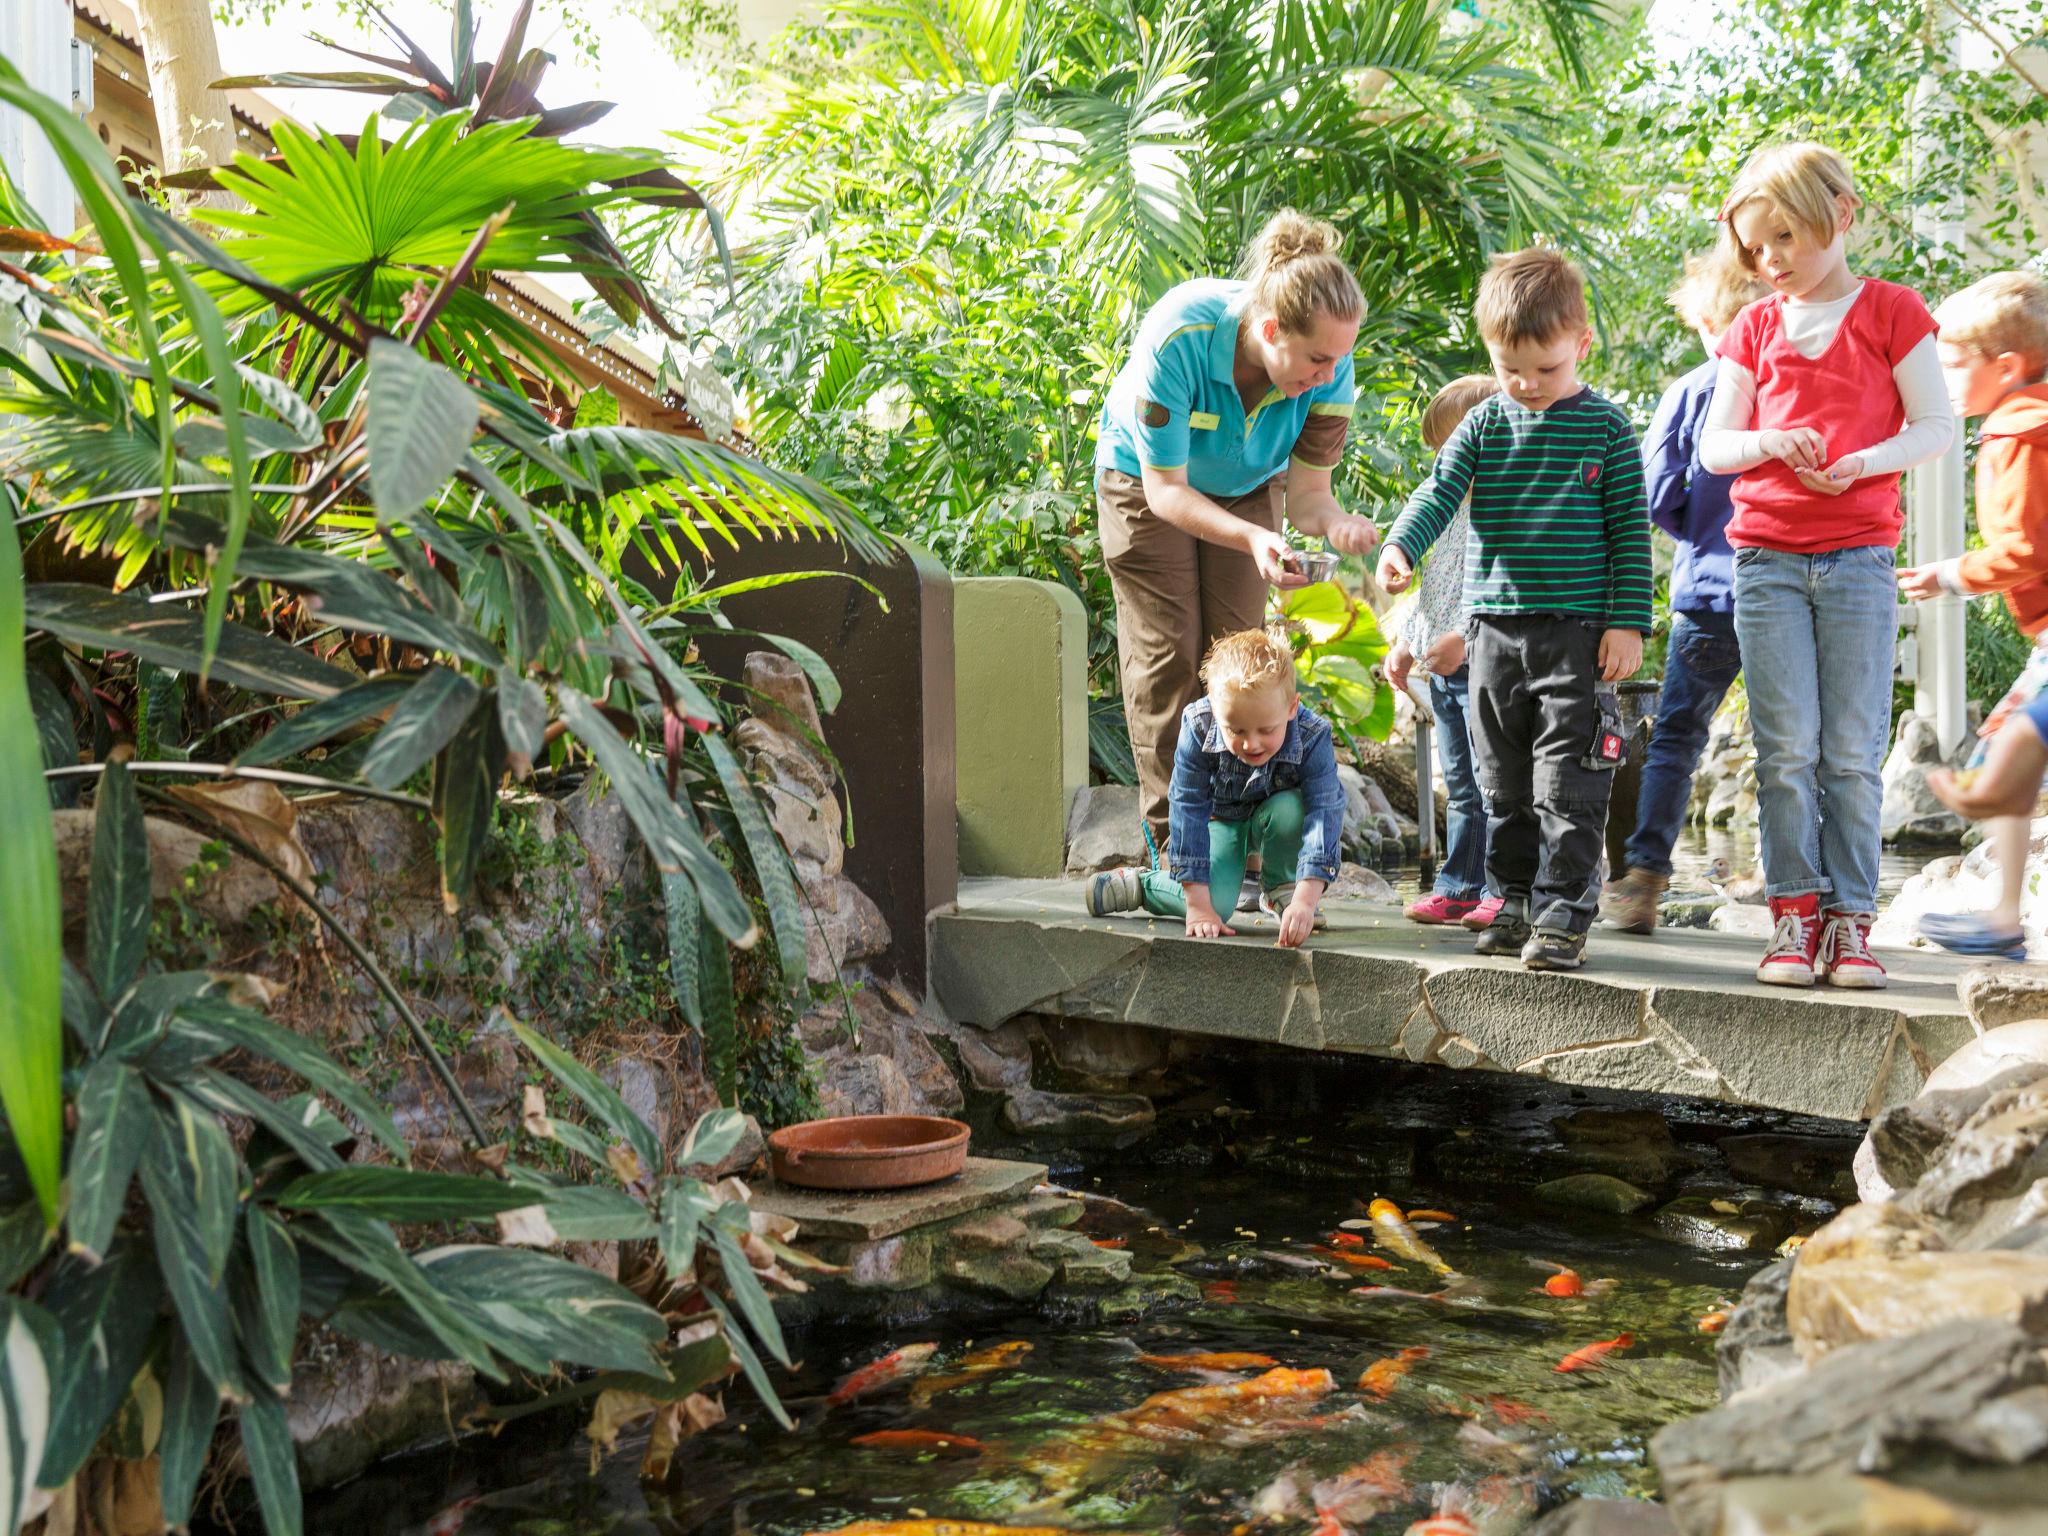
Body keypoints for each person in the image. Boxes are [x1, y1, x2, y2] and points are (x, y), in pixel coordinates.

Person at [1700, 142, 1954, 989]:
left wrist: (1860, 463)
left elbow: (1935, 425)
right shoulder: (1754, 328)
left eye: (1785, 238)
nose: (1770, 261)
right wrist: (1771, 441)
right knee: (1784, 752)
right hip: (1767, 561)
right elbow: (1715, 447)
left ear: (1840, 214)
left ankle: (1850, 925)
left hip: (1857, 560)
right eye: (1755, 249)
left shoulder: (1892, 311)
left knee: (1849, 751)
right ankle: (1792, 922)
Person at [1376, 249, 1653, 971]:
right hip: (1492, 632)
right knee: (1501, 781)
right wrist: (1403, 547)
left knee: (1569, 779)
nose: (1528, 385)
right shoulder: (1483, 427)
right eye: (1510, 370)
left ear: (1582, 345)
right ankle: (1514, 899)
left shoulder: (1606, 431)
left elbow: (1630, 529)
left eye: (1546, 369)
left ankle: (1564, 913)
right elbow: (1436, 494)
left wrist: (1628, 622)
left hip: (1578, 635)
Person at [1095, 209, 1382, 889]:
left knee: (1241, 662)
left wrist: (1336, 524)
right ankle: (1176, 855)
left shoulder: (1327, 371)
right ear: (1271, 330)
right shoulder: (1181, 336)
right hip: (1146, 481)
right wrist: (1254, 535)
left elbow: (1310, 496)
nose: (1328, 374)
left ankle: (1240, 850)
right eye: (1317, 359)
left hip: (1248, 485)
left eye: (1338, 360)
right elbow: (1167, 493)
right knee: (1170, 656)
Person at [1600, 253, 1771, 932]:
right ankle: (1786, 879)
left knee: (1675, 737)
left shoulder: (1694, 391)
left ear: (1704, 321)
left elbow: (1653, 495)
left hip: (1707, 592)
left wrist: (1695, 528)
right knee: (1789, 742)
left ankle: (1644, 877)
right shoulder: (1787, 389)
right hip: (1783, 588)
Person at [1898, 271, 2048, 961]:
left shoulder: (2020, 433)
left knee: (2007, 757)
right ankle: (2002, 917)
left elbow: (2025, 547)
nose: (1942, 377)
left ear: (2007, 367)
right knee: (2009, 762)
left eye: (1955, 363)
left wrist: (1947, 573)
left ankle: (2002, 913)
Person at [1085, 628, 1345, 949]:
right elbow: (1187, 805)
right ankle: (1141, 885)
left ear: (1292, 708)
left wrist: (1306, 900)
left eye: (1266, 729)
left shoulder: (1313, 734)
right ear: (1214, 705)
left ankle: (1283, 890)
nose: (1251, 743)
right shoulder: (1198, 724)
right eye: (1235, 729)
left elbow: (1324, 811)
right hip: (1223, 820)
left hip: (1278, 816)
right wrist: (1197, 905)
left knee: (1292, 808)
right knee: (1216, 907)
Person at [1385, 374, 1506, 930]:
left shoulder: (1505, 512)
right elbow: (1432, 586)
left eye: (1451, 448)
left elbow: (1507, 592)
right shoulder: (1448, 513)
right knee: (1459, 783)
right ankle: (1459, 886)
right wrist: (1408, 645)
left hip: (1486, 666)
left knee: (1496, 780)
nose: (1444, 462)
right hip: (1443, 672)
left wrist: (1467, 638)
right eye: (1439, 453)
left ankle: (1504, 888)